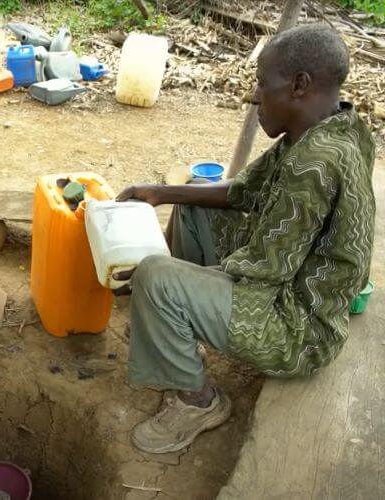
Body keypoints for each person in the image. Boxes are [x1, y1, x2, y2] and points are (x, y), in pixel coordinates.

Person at [116, 24, 376, 454]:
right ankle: (181, 325)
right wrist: (160, 193)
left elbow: (264, 272)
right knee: (194, 203)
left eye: (260, 83)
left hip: (301, 330)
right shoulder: (331, 128)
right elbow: (244, 191)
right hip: (298, 289)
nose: (252, 96)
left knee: (156, 279)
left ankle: (197, 403)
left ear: (299, 86)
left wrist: (165, 282)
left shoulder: (312, 165)